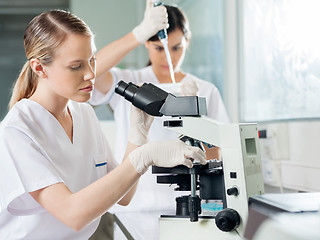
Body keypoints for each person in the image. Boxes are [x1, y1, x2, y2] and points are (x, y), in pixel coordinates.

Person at [0, 9, 206, 240]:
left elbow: (124, 195)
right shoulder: (17, 131)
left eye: (92, 60)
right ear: (39, 68)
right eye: (76, 66)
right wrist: (144, 157)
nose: (91, 73)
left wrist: (138, 137)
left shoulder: (82, 114)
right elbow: (73, 214)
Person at [90, 1, 230, 217]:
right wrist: (138, 33)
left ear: (187, 41)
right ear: (147, 44)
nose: (168, 57)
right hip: (134, 207)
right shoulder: (130, 82)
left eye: (176, 47)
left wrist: (197, 120)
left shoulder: (204, 90)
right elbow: (90, 71)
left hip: (190, 206)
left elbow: (216, 154)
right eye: (159, 48)